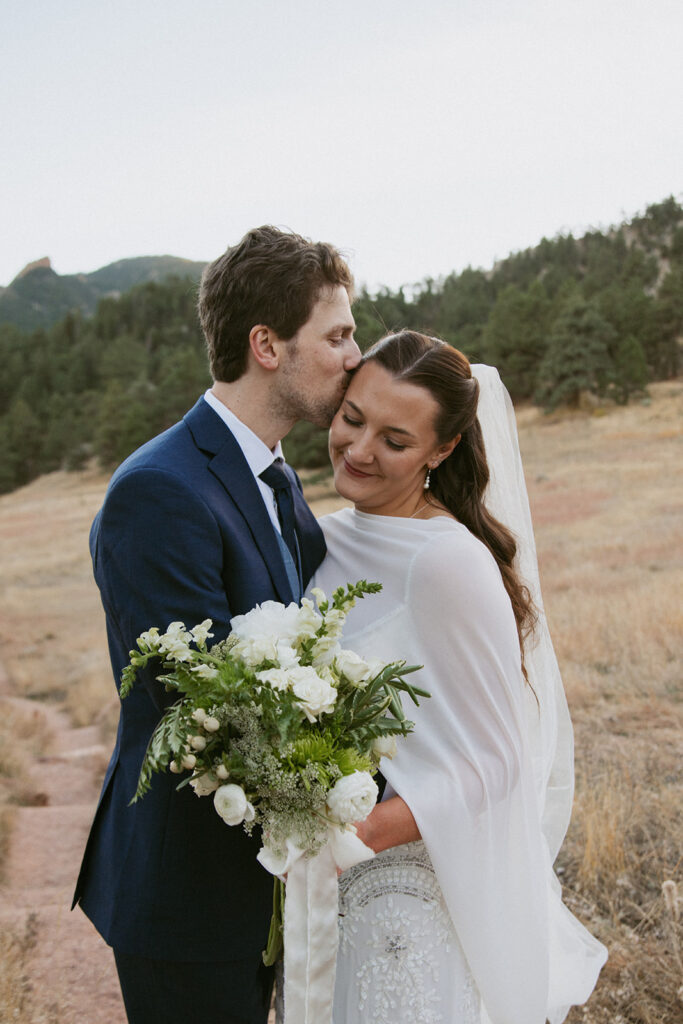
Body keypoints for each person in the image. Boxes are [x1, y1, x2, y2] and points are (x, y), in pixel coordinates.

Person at [72, 225, 361, 1024]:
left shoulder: (274, 476)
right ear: (266, 344)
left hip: (263, 881)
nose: (352, 356)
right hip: (187, 895)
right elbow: (198, 706)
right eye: (336, 335)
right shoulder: (159, 490)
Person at [312, 331, 607, 1024]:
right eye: (352, 418)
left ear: (440, 451)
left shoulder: (447, 561)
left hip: (405, 894)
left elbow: (500, 759)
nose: (358, 451)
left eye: (394, 439)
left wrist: (354, 837)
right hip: (324, 894)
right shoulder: (324, 535)